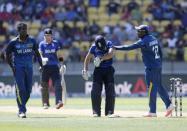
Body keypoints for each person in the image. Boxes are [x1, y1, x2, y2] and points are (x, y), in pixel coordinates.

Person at [113, 25, 174, 117]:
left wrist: (116, 47)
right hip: (157, 66)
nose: (137, 33)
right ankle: (169, 105)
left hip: (151, 68)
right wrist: (159, 63)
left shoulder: (143, 41)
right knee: (159, 86)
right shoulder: (153, 38)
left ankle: (152, 111)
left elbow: (129, 47)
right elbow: (160, 52)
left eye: (139, 31)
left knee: (151, 89)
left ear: (144, 32)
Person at [5, 22, 43, 118]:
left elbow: (37, 53)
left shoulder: (32, 41)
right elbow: (6, 54)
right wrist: (12, 66)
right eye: (22, 29)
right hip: (18, 69)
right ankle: (22, 110)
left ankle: (21, 107)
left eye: (25, 29)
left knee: (28, 91)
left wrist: (41, 65)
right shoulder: (13, 42)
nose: (24, 31)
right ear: (18, 31)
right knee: (21, 89)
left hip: (29, 69)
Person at [82, 35, 116, 117]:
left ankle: (109, 112)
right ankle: (96, 112)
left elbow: (111, 54)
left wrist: (101, 58)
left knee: (110, 91)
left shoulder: (109, 44)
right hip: (98, 70)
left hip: (108, 69)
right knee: (95, 91)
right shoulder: (93, 47)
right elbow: (87, 58)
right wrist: (85, 70)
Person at [39, 28, 64, 109]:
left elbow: (59, 55)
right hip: (45, 67)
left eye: (49, 35)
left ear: (52, 36)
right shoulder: (42, 44)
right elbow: (40, 55)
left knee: (58, 84)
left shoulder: (55, 43)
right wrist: (41, 62)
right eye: (46, 36)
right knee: (44, 86)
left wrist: (61, 64)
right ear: (44, 36)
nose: (48, 37)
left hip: (54, 67)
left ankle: (58, 101)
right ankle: (45, 103)